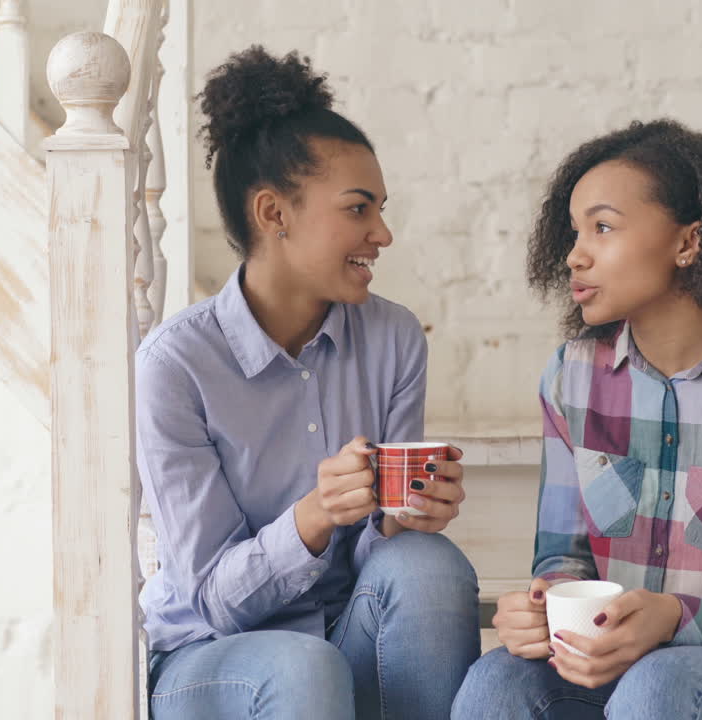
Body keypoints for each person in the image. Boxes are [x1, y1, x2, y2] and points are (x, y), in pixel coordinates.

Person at [136, 46, 479, 720]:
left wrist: (405, 517)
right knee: (304, 667)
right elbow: (211, 597)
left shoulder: (394, 338)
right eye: (358, 210)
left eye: (380, 210)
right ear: (274, 214)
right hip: (211, 656)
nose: (382, 233)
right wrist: (315, 515)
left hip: (343, 633)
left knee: (430, 566)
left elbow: (387, 561)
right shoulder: (176, 366)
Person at [452, 119, 702, 719]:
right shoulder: (572, 377)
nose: (575, 254)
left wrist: (673, 619)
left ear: (688, 243)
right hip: (618, 672)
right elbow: (563, 562)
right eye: (575, 230)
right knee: (497, 680)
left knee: (658, 684)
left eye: (602, 227)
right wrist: (540, 606)